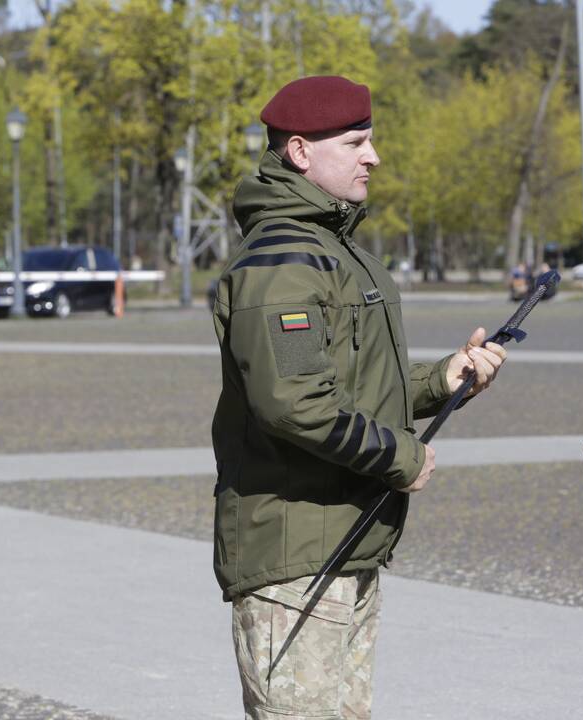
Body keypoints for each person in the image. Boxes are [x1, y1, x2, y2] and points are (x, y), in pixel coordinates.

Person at [210, 75, 507, 720]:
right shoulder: (284, 260)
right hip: (295, 555)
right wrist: (400, 458)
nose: (374, 156)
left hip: (344, 540)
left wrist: (443, 380)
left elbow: (352, 387)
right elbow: (295, 404)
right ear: (299, 153)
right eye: (356, 142)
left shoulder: (335, 250)